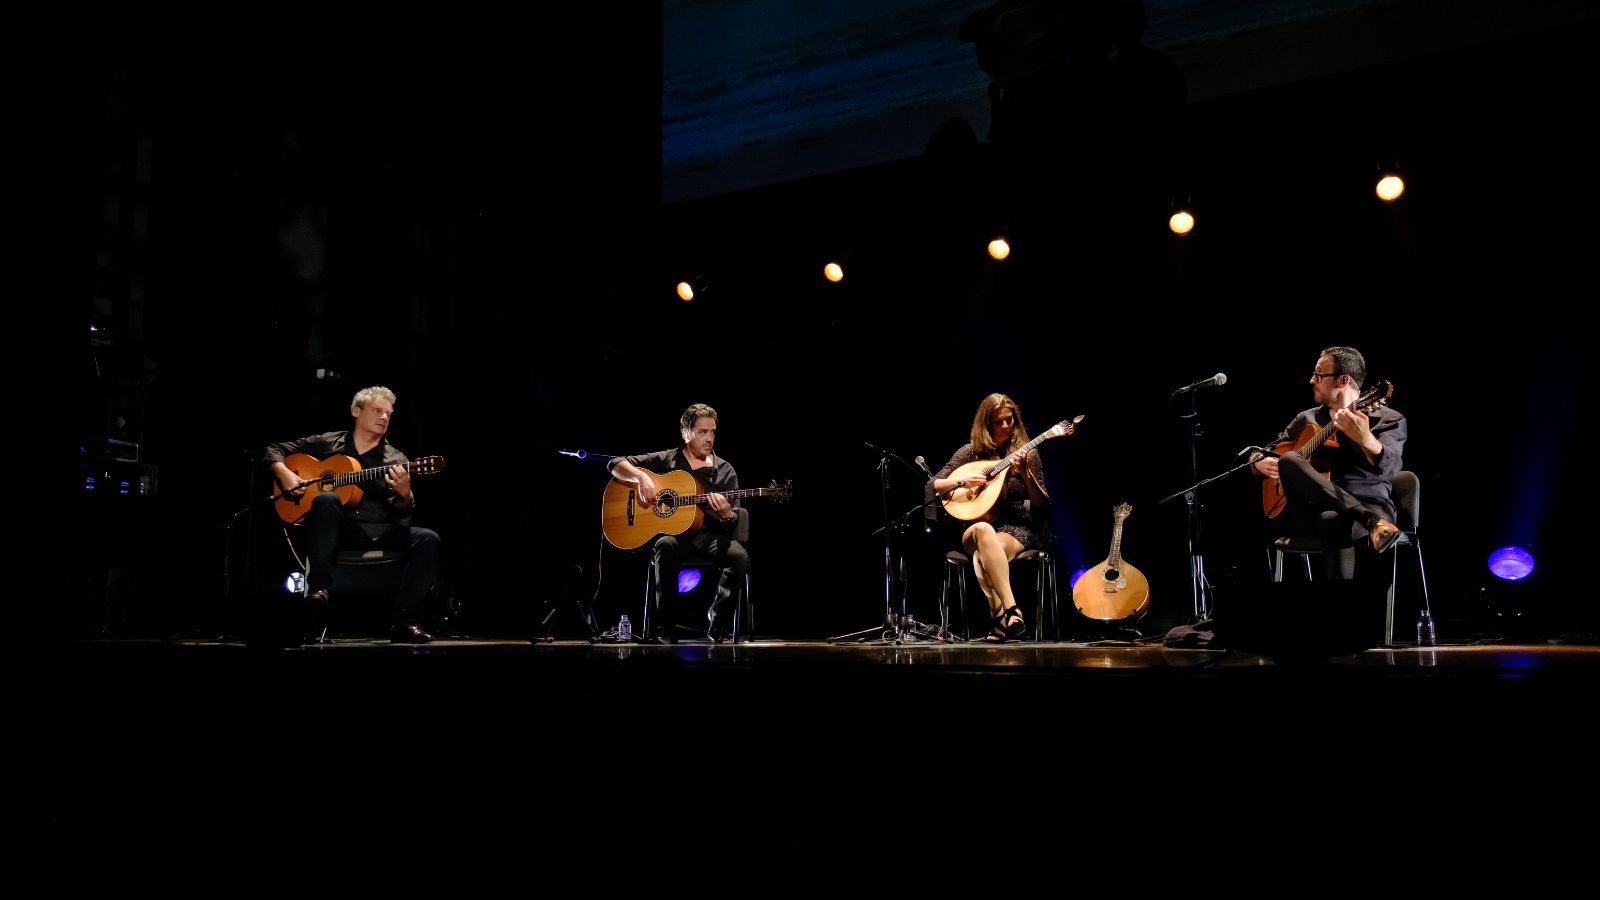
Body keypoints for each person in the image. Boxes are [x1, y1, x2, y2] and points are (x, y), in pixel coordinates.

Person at [265, 386, 441, 644]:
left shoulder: (395, 459)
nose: (384, 418)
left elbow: (400, 511)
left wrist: (405, 496)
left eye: (389, 414)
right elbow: (274, 448)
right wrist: (285, 473)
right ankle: (319, 589)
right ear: (356, 411)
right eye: (377, 411)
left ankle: (406, 622)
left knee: (429, 539)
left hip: (377, 531)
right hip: (334, 532)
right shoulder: (331, 442)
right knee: (326, 498)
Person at [1252, 347, 1405, 581]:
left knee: (1332, 520)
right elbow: (1267, 450)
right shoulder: (1306, 419)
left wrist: (1366, 440)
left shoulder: (1388, 419)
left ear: (1343, 380)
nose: (1311, 380)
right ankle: (1370, 521)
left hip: (1369, 503)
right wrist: (1258, 462)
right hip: (1312, 511)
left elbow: (1391, 468)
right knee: (1291, 458)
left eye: (1319, 375)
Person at [608, 403, 749, 642]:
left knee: (740, 558)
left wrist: (726, 514)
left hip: (710, 537)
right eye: (702, 432)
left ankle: (717, 619)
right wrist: (641, 476)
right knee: (664, 545)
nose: (709, 438)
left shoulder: (725, 471)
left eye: (712, 432)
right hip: (677, 538)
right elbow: (615, 463)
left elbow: (732, 520)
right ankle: (667, 626)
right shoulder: (667, 460)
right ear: (686, 433)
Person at [930, 393, 1051, 642]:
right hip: (974, 526)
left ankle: (1000, 623)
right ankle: (1013, 610)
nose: (1006, 426)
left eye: (1010, 420)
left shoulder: (1027, 454)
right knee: (983, 529)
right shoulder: (970, 453)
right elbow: (934, 485)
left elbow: (1042, 504)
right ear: (986, 424)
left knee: (980, 556)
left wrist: (1025, 474)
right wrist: (962, 481)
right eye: (999, 421)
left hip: (1016, 527)